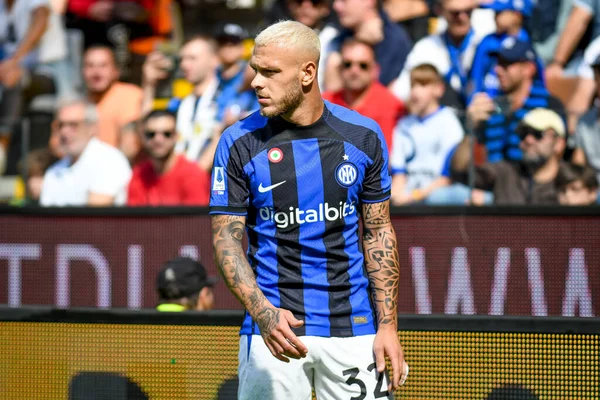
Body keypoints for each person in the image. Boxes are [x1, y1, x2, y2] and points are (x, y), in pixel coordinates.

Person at [210, 21, 408, 399]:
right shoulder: (237, 143)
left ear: (307, 73)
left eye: (270, 72)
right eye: (255, 69)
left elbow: (378, 231)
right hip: (274, 330)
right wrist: (263, 314)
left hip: (355, 327)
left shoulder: (363, 136)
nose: (256, 82)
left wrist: (388, 327)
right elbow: (227, 242)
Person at [467, 39, 563, 163]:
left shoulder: (549, 105)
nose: (497, 70)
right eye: (498, 63)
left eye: (506, 64)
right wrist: (471, 129)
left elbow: (558, 154)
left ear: (529, 68)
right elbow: (469, 163)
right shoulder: (492, 107)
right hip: (495, 178)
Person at [451, 108, 567, 204]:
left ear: (559, 143)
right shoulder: (506, 172)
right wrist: (470, 131)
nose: (528, 140)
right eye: (523, 133)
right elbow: (460, 171)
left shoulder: (572, 181)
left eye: (537, 134)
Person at [141, 36, 224, 172]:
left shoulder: (225, 98)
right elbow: (149, 125)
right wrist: (149, 85)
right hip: (182, 179)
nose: (184, 65)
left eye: (192, 58)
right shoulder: (181, 103)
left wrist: (191, 178)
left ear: (214, 60)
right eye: (182, 59)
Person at [390, 64, 464, 205]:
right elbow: (399, 175)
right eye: (413, 85)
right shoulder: (404, 125)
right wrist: (392, 197)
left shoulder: (449, 122)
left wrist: (414, 196)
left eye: (423, 85)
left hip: (437, 196)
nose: (416, 92)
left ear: (439, 89)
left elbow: (446, 178)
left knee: (438, 197)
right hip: (409, 195)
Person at [40, 96, 132, 206]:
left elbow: (94, 217)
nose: (64, 131)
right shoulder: (54, 171)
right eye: (61, 125)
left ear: (92, 128)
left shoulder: (109, 160)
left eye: (73, 125)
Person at [391, 0, 482, 104]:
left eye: (468, 12)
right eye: (455, 13)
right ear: (439, 10)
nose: (462, 17)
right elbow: (401, 92)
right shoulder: (426, 47)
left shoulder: (484, 41)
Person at [322, 38, 405, 150]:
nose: (354, 71)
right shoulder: (324, 103)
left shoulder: (391, 106)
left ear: (375, 70)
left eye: (363, 65)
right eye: (348, 64)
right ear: (340, 68)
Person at [324, 0, 412, 91]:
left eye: (344, 1)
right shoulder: (338, 39)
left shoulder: (394, 40)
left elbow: (376, 93)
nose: (336, 6)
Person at [127, 110, 210, 206]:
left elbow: (196, 220)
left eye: (167, 134)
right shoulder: (138, 175)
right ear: (142, 137)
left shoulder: (193, 175)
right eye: (151, 134)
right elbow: (134, 218)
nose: (158, 139)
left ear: (176, 136)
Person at [82, 46, 143, 161]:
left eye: (103, 65)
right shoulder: (77, 104)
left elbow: (130, 147)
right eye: (90, 66)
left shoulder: (130, 95)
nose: (96, 72)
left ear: (116, 71)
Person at [468, 0, 538, 100]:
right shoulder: (487, 42)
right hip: (487, 102)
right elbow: (475, 78)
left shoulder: (528, 43)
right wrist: (473, 100)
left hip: (517, 105)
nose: (495, 17)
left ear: (517, 14)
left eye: (500, 13)